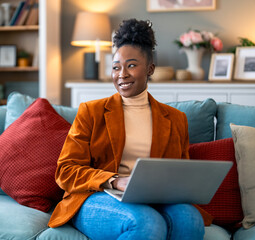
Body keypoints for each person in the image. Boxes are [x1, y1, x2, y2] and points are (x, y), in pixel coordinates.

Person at [48, 18, 211, 240]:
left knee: (190, 219)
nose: (121, 74)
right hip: (96, 196)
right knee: (146, 222)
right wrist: (115, 180)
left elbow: (178, 173)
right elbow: (65, 170)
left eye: (131, 65)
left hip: (153, 198)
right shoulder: (91, 112)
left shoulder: (176, 119)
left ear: (150, 68)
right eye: (116, 67)